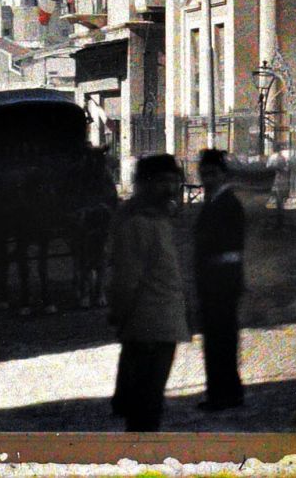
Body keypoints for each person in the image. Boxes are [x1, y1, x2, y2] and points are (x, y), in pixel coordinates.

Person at [107, 153, 188, 432]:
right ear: (144, 184)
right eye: (162, 181)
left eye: (173, 181)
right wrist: (121, 315)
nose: (170, 187)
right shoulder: (138, 223)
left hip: (161, 324)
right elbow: (127, 279)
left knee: (148, 404)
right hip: (146, 326)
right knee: (145, 407)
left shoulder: (158, 218)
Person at [194, 148, 247, 411]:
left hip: (222, 281)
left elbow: (230, 245)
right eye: (204, 174)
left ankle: (223, 394)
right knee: (218, 338)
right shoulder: (214, 201)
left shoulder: (228, 203)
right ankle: (225, 392)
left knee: (220, 340)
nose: (207, 178)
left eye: (212, 173)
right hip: (214, 281)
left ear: (223, 174)